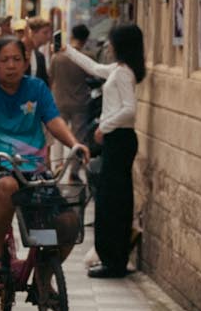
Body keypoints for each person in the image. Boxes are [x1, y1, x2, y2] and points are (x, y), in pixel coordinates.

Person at [0, 36, 87, 282]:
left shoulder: (37, 88)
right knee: (7, 186)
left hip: (34, 169)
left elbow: (53, 120)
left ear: (25, 63)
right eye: (4, 60)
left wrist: (74, 144)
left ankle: (44, 275)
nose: (11, 65)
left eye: (16, 60)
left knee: (69, 222)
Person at [58, 24, 143, 278]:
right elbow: (94, 68)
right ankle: (110, 255)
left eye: (113, 42)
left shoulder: (124, 74)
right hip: (116, 139)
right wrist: (68, 51)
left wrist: (104, 127)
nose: (109, 46)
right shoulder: (118, 70)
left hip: (120, 138)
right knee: (108, 199)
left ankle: (114, 259)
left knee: (113, 201)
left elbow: (130, 109)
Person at [49, 23, 95, 147]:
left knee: (59, 135)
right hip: (80, 102)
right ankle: (74, 165)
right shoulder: (87, 57)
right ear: (85, 39)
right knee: (78, 138)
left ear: (72, 36)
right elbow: (93, 77)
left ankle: (58, 164)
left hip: (59, 101)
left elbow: (50, 78)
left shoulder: (57, 57)